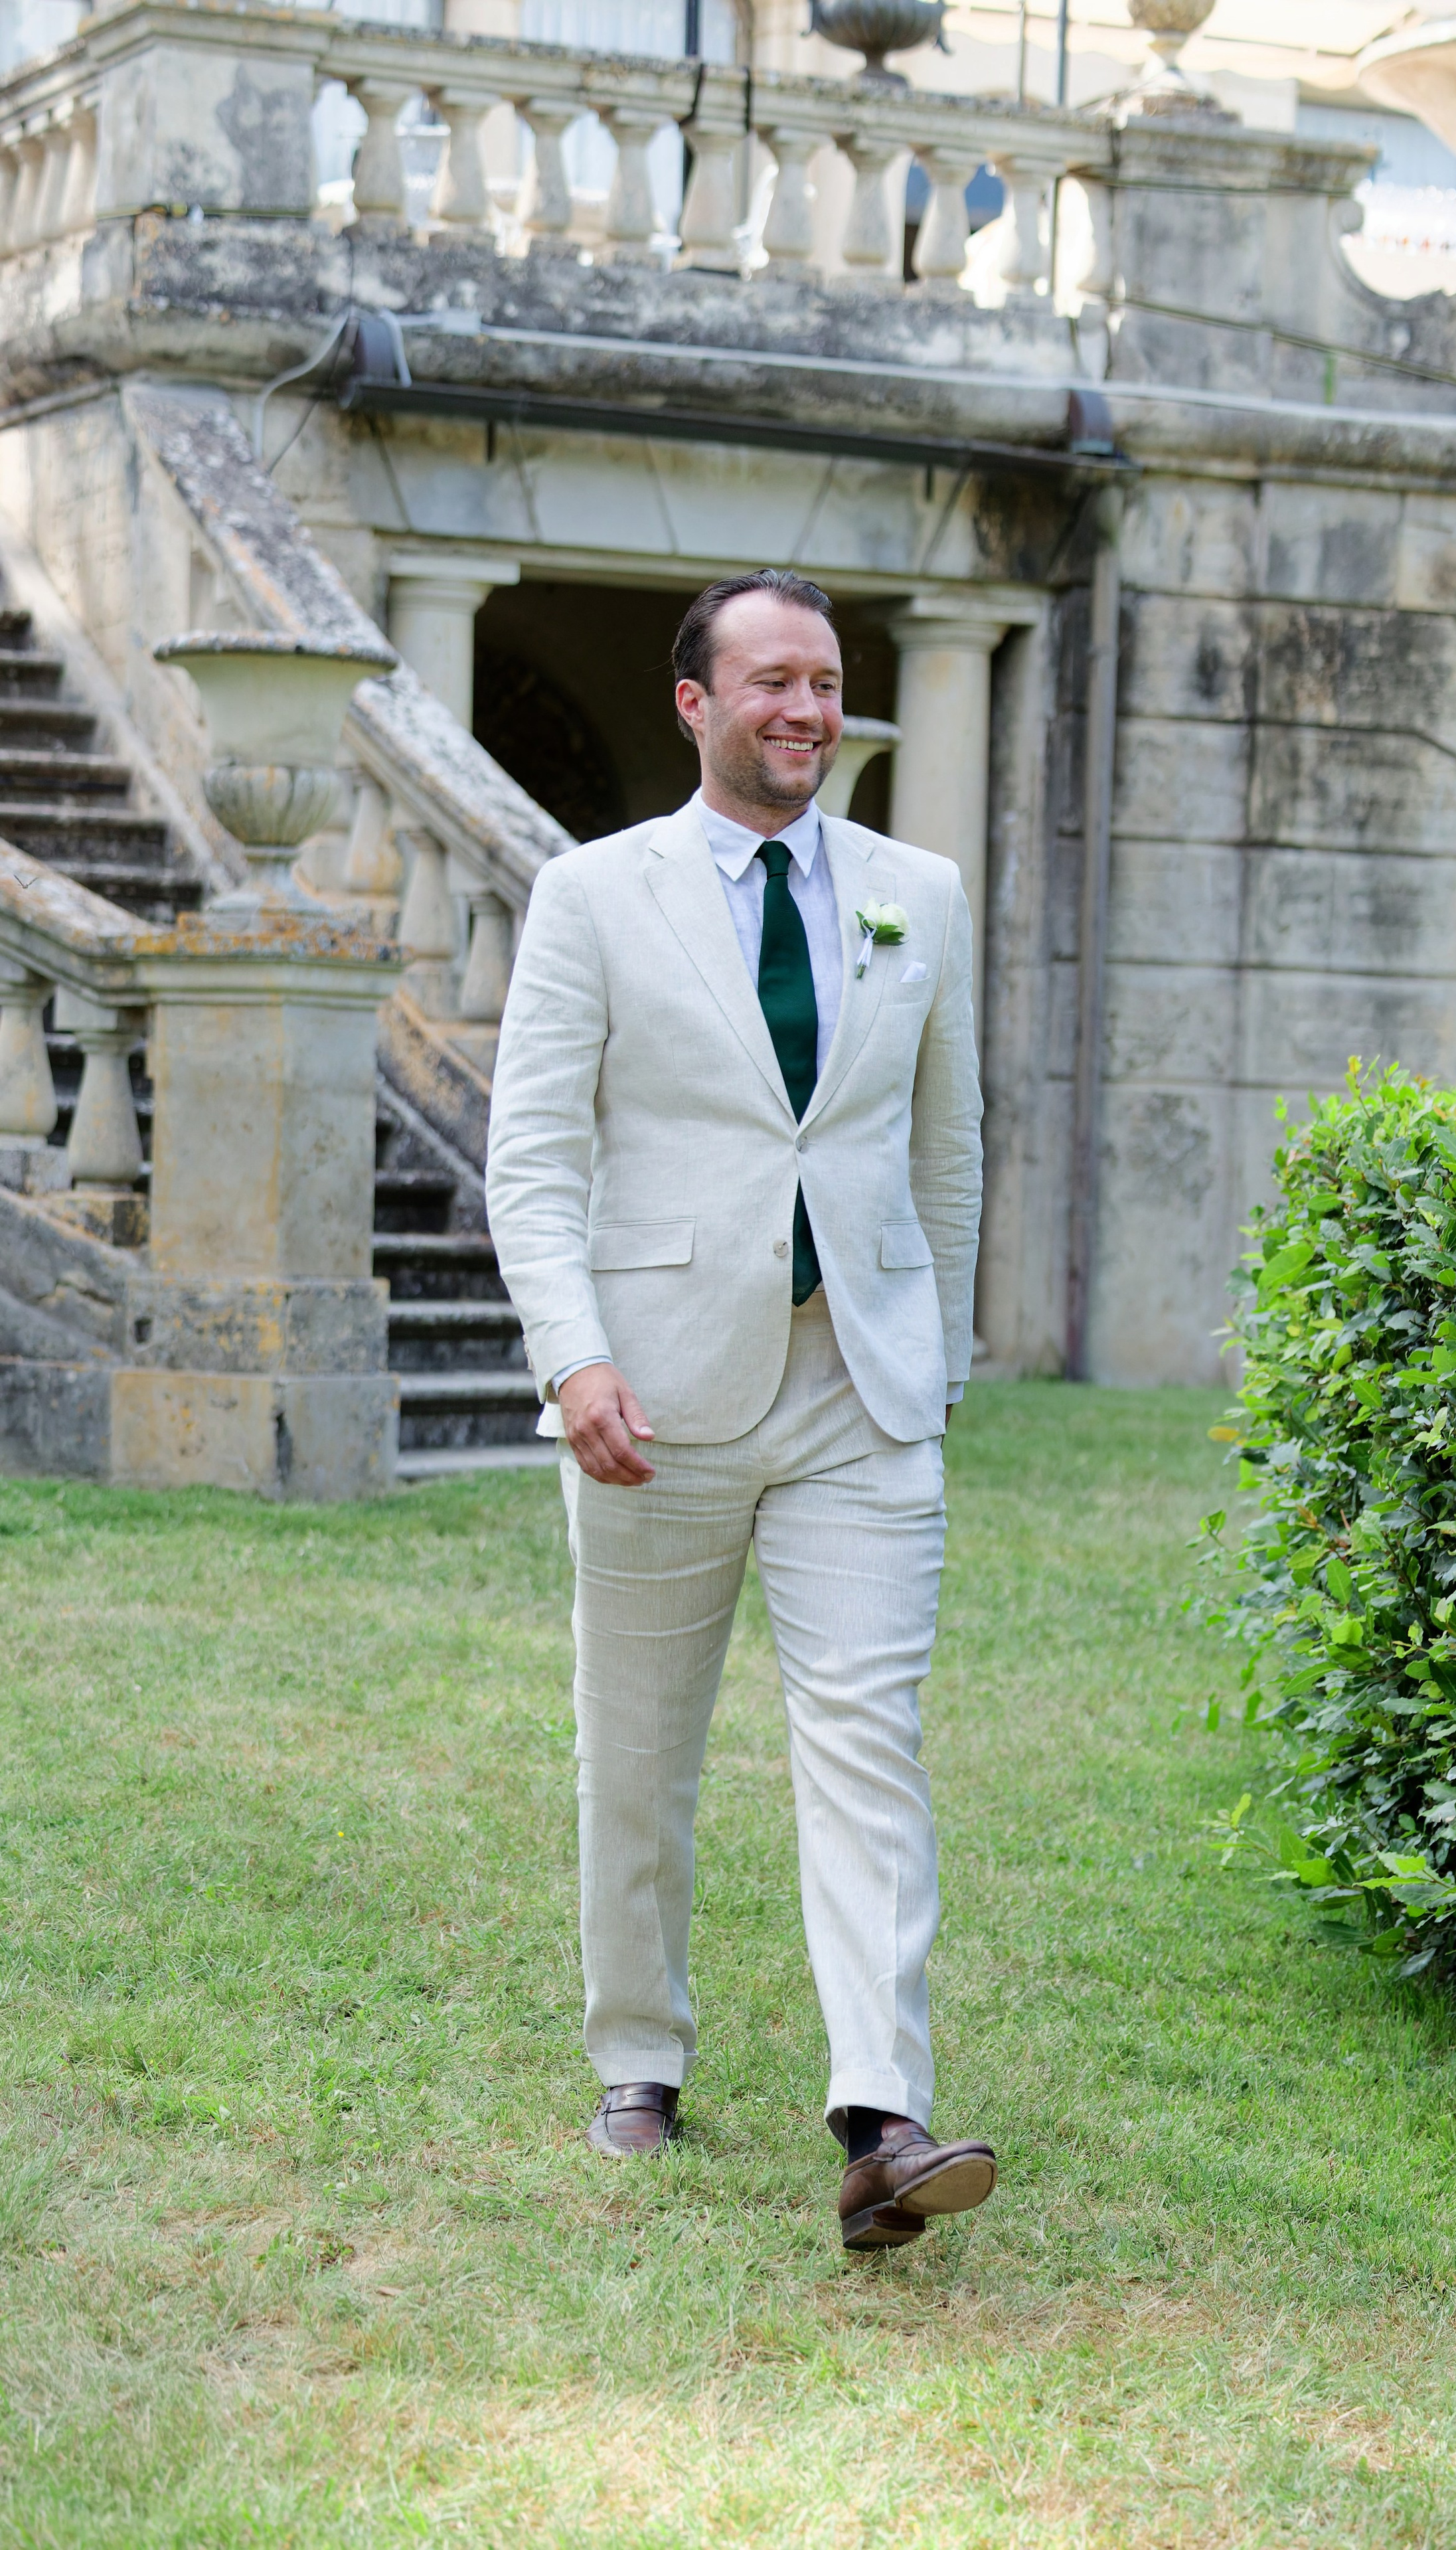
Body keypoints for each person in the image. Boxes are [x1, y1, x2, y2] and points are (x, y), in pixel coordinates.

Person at [485, 567, 993, 2252]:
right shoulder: (590, 893)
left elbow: (944, 1146)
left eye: (826, 680)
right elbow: (537, 1153)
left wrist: (937, 1355)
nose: (805, 707)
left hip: (860, 1390)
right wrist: (572, 1357)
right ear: (694, 703)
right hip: (654, 1393)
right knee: (638, 1744)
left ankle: (882, 2112)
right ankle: (637, 2053)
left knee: (869, 1742)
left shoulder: (918, 889)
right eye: (769, 680)